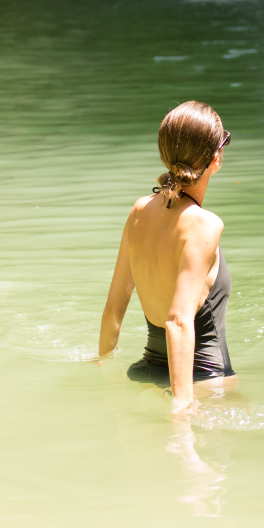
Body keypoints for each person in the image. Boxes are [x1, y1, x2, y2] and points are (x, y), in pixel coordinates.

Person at [98, 100, 236, 412]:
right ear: (216, 156)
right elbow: (177, 321)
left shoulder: (139, 211)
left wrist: (104, 371)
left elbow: (113, 309)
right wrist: (182, 412)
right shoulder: (204, 225)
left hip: (144, 374)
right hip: (201, 384)